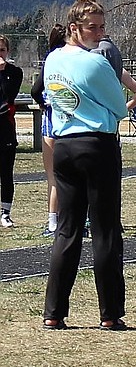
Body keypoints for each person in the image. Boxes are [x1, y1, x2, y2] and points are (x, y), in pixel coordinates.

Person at [41, 0, 129, 330]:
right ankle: (110, 313)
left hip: (64, 146)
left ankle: (54, 312)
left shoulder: (53, 60)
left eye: (103, 27)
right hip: (96, 144)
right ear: (74, 28)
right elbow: (119, 108)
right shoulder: (96, 63)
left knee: (67, 229)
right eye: (93, 27)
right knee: (105, 230)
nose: (100, 33)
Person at [30, 24, 68, 236]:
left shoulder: (51, 60)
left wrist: (43, 103)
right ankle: (76, 219)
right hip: (72, 118)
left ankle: (53, 221)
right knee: (73, 175)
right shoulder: (74, 58)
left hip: (52, 119)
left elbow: (36, 89)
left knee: (53, 177)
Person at [0, 35, 24, 229]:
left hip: (6, 129)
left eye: (2, 50)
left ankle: (5, 213)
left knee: (6, 173)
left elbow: (9, 96)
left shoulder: (15, 72)